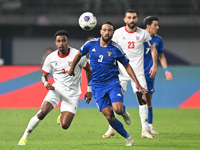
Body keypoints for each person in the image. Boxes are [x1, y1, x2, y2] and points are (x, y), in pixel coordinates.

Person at [68, 22, 147, 146]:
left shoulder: (116, 48)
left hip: (112, 82)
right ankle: (128, 137)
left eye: (109, 30)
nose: (107, 32)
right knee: (109, 116)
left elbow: (127, 65)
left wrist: (137, 83)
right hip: (97, 86)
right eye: (104, 30)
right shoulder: (91, 44)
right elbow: (78, 54)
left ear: (113, 32)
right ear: (100, 31)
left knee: (118, 109)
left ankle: (124, 112)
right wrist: (71, 69)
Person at [18, 30, 92, 146]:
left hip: (72, 94)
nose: (61, 43)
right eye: (58, 41)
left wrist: (89, 89)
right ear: (55, 43)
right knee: (42, 113)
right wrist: (45, 83)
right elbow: (44, 76)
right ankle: (24, 137)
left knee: (65, 126)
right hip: (56, 90)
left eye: (63, 41)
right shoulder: (51, 58)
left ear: (67, 41)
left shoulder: (77, 55)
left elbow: (88, 69)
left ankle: (63, 115)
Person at [102, 9, 157, 139]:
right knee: (113, 102)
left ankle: (145, 130)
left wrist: (154, 64)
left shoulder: (143, 33)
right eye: (129, 18)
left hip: (138, 73)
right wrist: (113, 65)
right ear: (125, 20)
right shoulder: (118, 33)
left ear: (137, 19)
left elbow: (152, 48)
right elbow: (110, 49)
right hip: (120, 73)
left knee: (142, 100)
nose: (131, 20)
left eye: (134, 17)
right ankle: (112, 128)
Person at [143, 16, 172, 134]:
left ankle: (150, 126)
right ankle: (144, 128)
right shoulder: (138, 37)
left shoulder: (158, 40)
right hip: (138, 73)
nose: (158, 27)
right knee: (143, 100)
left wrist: (166, 70)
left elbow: (161, 56)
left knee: (148, 101)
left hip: (150, 74)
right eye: (155, 25)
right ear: (148, 26)